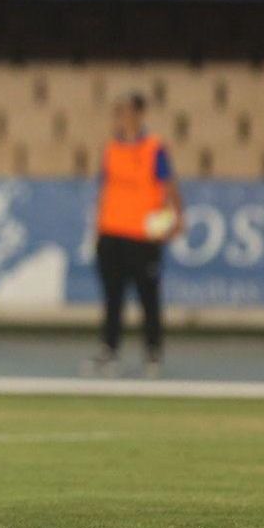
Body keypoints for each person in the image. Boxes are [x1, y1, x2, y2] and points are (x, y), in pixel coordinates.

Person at [86, 91, 183, 380]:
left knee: (148, 298)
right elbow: (104, 191)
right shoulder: (111, 149)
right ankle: (109, 351)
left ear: (140, 113)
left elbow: (168, 185)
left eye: (128, 111)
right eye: (119, 111)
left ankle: (153, 354)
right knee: (112, 298)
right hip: (112, 233)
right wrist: (97, 230)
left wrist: (177, 217)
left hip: (143, 236)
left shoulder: (154, 148)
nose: (123, 117)